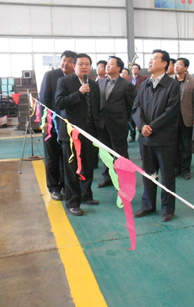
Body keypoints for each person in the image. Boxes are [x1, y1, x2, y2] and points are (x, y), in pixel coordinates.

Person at [132, 50, 180, 222]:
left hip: (164, 139)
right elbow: (136, 107)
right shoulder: (144, 84)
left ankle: (167, 208)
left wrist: (151, 127)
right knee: (148, 174)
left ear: (164, 64)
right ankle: (148, 205)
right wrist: (142, 126)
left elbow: (171, 111)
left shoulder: (172, 85)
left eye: (154, 59)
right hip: (146, 139)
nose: (150, 61)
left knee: (166, 176)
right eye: (150, 59)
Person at [55, 53, 101, 216]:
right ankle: (72, 202)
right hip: (71, 134)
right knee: (72, 168)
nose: (84, 67)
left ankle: (86, 195)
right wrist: (79, 93)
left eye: (87, 64)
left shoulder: (94, 84)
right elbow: (59, 103)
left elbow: (96, 108)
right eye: (81, 64)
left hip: (90, 133)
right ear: (74, 66)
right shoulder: (64, 82)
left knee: (88, 165)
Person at [39, 50, 77, 201]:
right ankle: (54, 187)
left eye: (69, 61)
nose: (65, 63)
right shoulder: (51, 76)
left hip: (69, 126)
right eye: (63, 60)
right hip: (52, 124)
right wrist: (45, 122)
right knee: (52, 156)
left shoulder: (76, 79)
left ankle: (65, 186)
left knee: (67, 157)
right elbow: (43, 99)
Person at [97, 56, 136, 188]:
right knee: (106, 152)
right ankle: (107, 177)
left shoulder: (126, 85)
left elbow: (131, 105)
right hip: (102, 124)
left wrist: (125, 121)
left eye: (111, 64)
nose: (107, 66)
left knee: (120, 153)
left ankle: (125, 179)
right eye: (107, 64)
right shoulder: (100, 82)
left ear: (118, 68)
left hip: (118, 124)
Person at [174, 58, 194, 180]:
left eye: (179, 64)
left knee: (186, 145)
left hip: (186, 118)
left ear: (186, 68)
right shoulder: (170, 81)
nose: (176, 66)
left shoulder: (193, 82)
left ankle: (185, 170)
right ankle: (176, 168)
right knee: (174, 144)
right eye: (176, 64)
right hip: (172, 119)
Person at [128, 63, 148, 142]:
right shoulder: (128, 79)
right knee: (131, 120)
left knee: (140, 117)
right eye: (133, 68)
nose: (134, 70)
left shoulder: (143, 79)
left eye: (136, 68)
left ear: (139, 71)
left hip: (140, 101)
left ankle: (142, 134)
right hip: (131, 101)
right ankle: (132, 136)